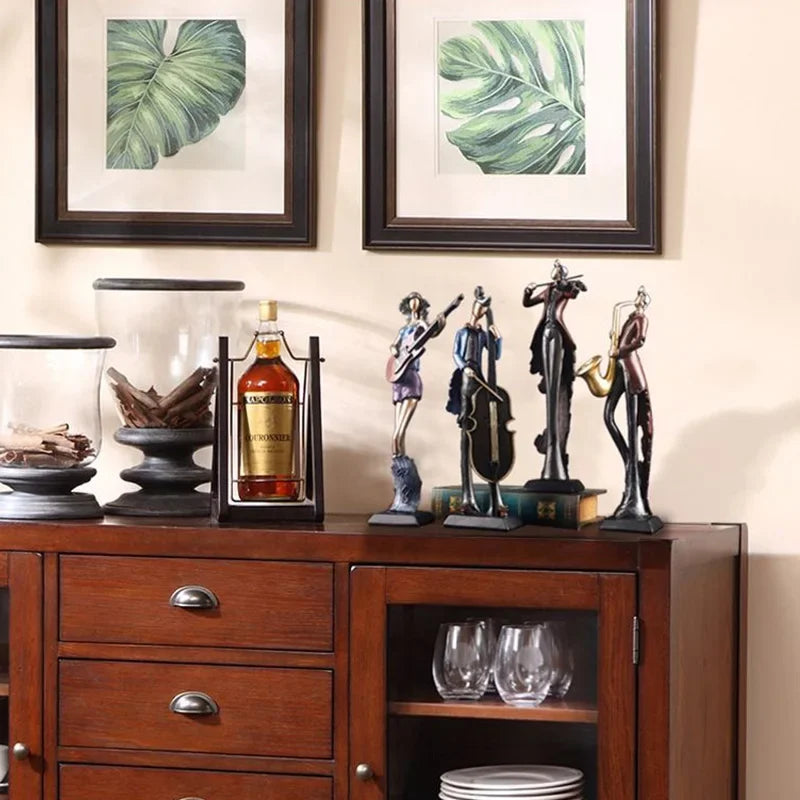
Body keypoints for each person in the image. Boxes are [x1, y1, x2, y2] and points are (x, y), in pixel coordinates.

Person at [523, 260, 587, 489]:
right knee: (549, 388)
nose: (556, 273)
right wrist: (527, 291)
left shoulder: (562, 289)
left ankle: (557, 454)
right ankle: (549, 450)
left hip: (557, 332)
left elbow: (575, 292)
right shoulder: (549, 290)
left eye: (559, 272)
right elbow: (528, 303)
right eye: (556, 272)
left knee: (559, 394)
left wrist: (571, 285)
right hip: (544, 332)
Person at [446, 287, 504, 515]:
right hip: (467, 378)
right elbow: (456, 354)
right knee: (466, 431)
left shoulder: (482, 335)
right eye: (479, 307)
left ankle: (494, 498)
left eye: (485, 309)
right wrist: (465, 367)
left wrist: (498, 339)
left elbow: (495, 356)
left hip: (481, 377)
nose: (481, 311)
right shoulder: (463, 332)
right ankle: (467, 496)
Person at [604, 286, 655, 520]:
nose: (637, 302)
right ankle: (629, 462)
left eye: (641, 300)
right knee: (608, 416)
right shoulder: (629, 317)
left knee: (633, 430)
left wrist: (619, 349)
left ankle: (634, 497)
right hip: (620, 368)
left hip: (631, 371)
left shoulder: (641, 319)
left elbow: (640, 341)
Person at [389, 292, 445, 457]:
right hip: (399, 378)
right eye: (411, 300)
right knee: (395, 435)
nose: (414, 302)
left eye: (417, 300)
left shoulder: (422, 325)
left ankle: (403, 467)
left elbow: (431, 333)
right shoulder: (404, 329)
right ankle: (399, 465)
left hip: (411, 376)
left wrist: (440, 324)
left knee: (399, 432)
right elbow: (394, 345)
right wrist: (394, 350)